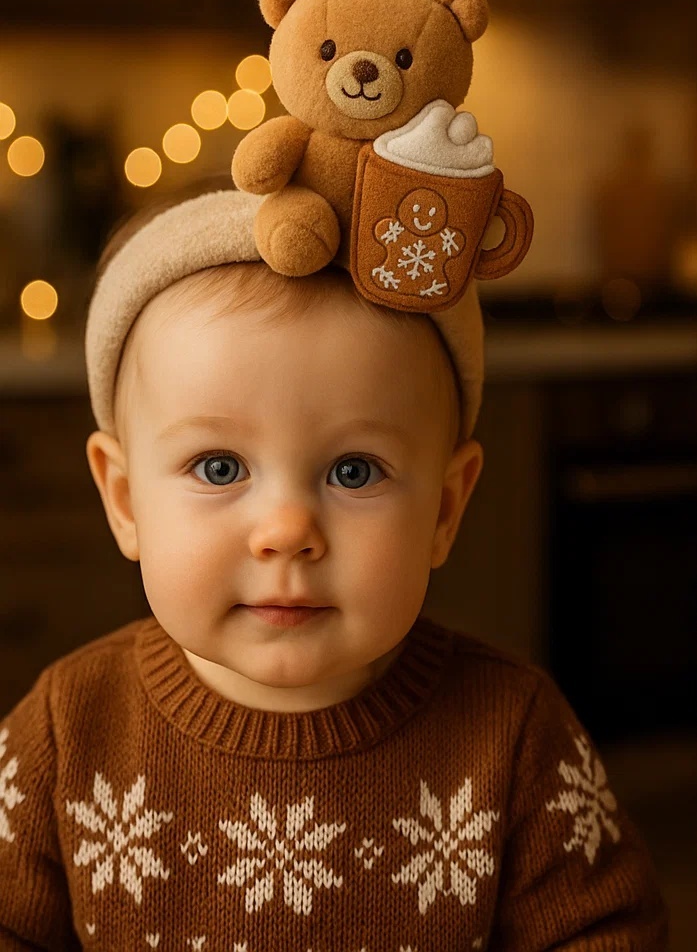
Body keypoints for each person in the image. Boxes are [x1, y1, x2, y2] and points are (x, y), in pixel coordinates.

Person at [0, 179, 669, 950]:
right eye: (219, 468)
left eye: (354, 472)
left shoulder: (512, 737)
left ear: (445, 511)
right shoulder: (66, 729)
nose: (286, 532)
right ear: (124, 500)